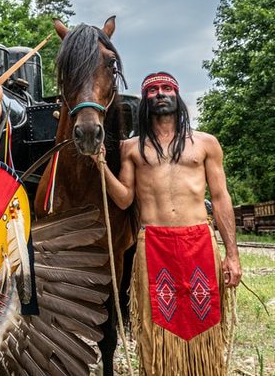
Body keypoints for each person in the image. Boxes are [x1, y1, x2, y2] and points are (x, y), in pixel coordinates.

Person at [96, 71, 242, 376]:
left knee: (204, 318)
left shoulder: (205, 143)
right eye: (152, 90)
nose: (160, 93)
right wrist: (100, 166)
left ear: (177, 96)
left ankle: (204, 369)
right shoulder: (131, 148)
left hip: (199, 240)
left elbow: (220, 197)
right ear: (145, 100)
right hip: (154, 244)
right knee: (157, 322)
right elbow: (124, 199)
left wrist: (232, 254)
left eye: (166, 88)